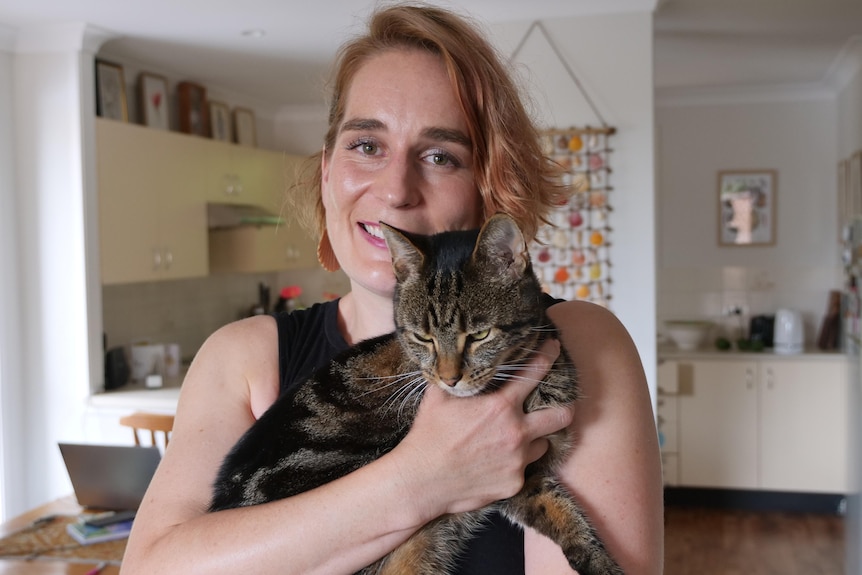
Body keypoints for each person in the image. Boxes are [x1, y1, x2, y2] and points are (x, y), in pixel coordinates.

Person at [119, 4, 663, 574]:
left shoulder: (583, 342)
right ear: (328, 171)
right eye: (366, 146)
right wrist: (420, 480)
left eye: (439, 155)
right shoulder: (241, 357)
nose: (396, 190)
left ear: (488, 188)